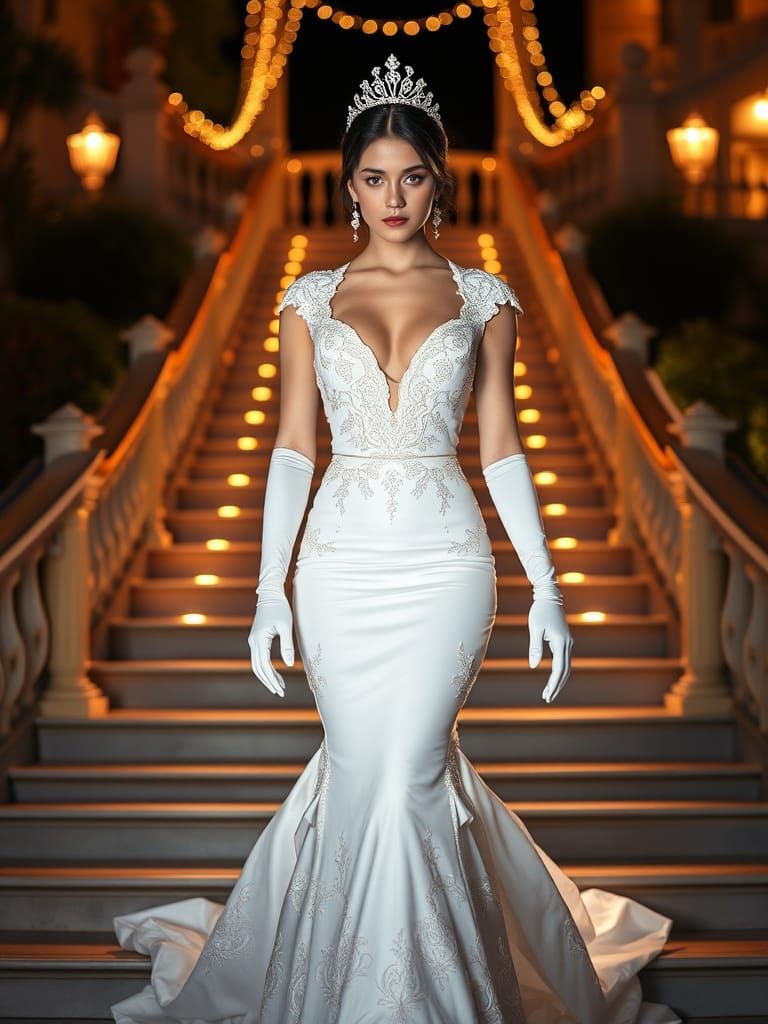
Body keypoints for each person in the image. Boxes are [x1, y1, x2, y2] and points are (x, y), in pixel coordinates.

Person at [111, 53, 681, 1024]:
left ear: (437, 182)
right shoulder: (307, 300)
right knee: (363, 774)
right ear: (348, 186)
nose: (392, 197)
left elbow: (502, 447)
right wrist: (268, 590)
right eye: (373, 178)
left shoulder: (484, 298)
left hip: (446, 564)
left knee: (413, 773)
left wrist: (547, 587)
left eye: (411, 177)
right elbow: (293, 448)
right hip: (339, 567)